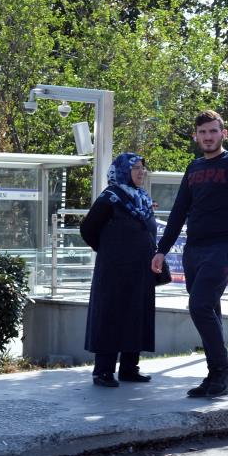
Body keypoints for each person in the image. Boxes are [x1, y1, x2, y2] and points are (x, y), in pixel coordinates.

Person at [152, 110, 228, 398]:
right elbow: (178, 212)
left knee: (199, 305)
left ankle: (223, 368)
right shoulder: (193, 168)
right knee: (209, 308)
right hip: (194, 248)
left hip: (223, 246)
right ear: (196, 136)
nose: (208, 137)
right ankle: (216, 373)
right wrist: (161, 250)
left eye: (213, 131)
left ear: (223, 134)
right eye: (202, 132)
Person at [81, 153, 158, 387]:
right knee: (111, 316)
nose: (141, 172)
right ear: (123, 170)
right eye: (136, 168)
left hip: (140, 270)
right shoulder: (110, 197)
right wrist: (109, 251)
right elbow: (88, 229)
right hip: (114, 271)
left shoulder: (142, 198)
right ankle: (103, 371)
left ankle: (129, 368)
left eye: (143, 168)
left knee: (136, 316)